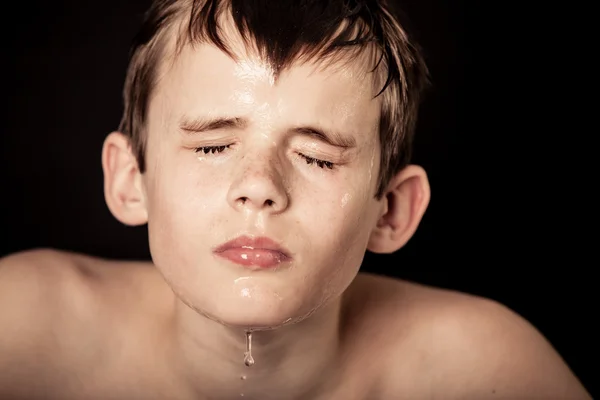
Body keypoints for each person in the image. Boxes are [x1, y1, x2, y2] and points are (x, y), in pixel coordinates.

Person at [0, 0, 591, 398]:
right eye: (211, 147)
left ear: (391, 211)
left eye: (317, 157)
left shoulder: (486, 373)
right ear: (132, 180)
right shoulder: (22, 330)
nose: (259, 186)